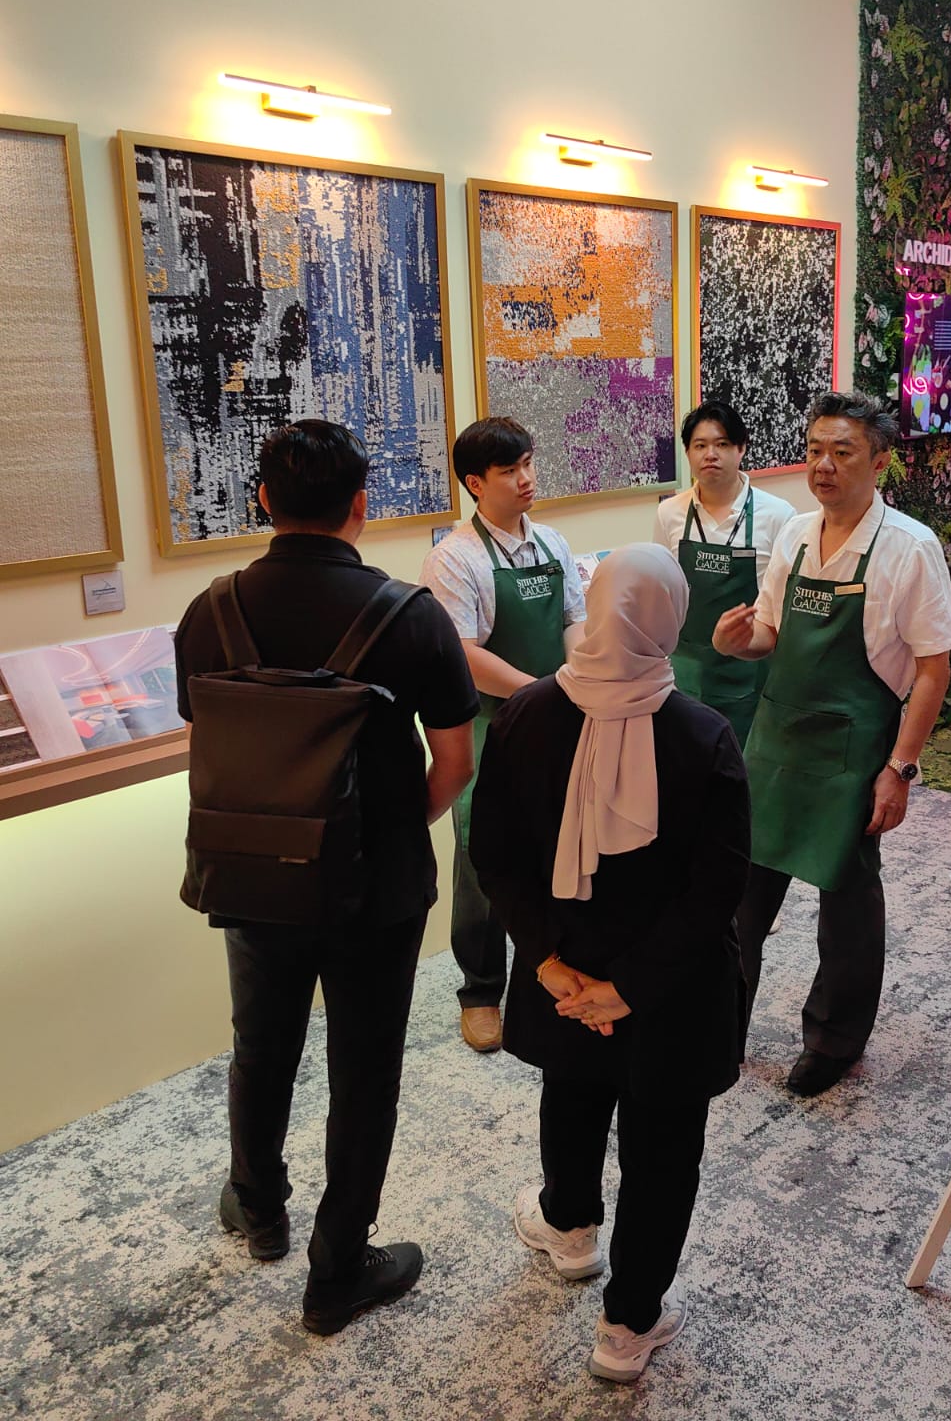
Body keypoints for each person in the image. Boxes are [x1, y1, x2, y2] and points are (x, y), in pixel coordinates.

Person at [174, 419, 478, 1334]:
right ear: (361, 505)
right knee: (365, 1068)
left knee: (260, 1043)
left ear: (263, 499)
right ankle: (338, 1267)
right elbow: (455, 762)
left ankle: (258, 1207)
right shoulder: (410, 615)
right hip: (375, 885)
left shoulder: (209, 612)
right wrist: (394, 829)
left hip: (252, 872)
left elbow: (216, 740)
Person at [471, 544, 749, 1384]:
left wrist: (549, 963)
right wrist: (629, 989)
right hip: (672, 991)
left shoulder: (526, 713)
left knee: (573, 1090)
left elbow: (493, 855)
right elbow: (717, 890)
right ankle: (628, 1326)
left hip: (565, 974)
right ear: (670, 617)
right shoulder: (703, 734)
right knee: (664, 1147)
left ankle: (569, 1229)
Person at [713, 391, 951, 1097]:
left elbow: (933, 670)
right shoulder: (795, 534)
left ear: (878, 462)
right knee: (739, 897)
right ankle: (719, 1026)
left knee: (846, 906)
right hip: (775, 741)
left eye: (841, 452)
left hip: (853, 751)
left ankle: (833, 1041)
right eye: (815, 450)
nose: (822, 465)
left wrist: (900, 769)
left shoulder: (910, 547)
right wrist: (737, 643)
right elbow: (769, 634)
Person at [419, 417, 587, 1053]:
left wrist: (577, 679)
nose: (526, 479)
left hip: (559, 715)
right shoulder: (454, 558)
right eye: (510, 470)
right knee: (482, 861)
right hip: (490, 727)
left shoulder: (551, 542)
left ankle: (554, 967)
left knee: (561, 845)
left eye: (529, 463)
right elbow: (461, 652)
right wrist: (541, 691)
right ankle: (481, 991)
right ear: (474, 483)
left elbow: (574, 620)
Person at [653, 400, 796, 747]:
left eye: (722, 444)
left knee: (743, 762)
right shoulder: (669, 513)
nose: (710, 455)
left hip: (750, 670)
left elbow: (785, 605)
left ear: (741, 449)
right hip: (686, 669)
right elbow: (662, 588)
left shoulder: (779, 515)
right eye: (700, 445)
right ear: (687, 452)